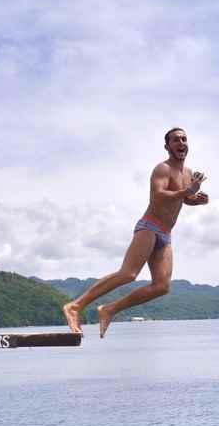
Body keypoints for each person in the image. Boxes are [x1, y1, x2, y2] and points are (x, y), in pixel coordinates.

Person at [61, 127, 208, 338]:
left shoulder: (187, 173)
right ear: (168, 147)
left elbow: (183, 198)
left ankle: (109, 309)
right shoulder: (162, 169)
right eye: (176, 140)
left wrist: (195, 199)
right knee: (128, 274)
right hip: (149, 227)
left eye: (184, 139)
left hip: (166, 236)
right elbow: (158, 195)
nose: (181, 143)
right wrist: (187, 192)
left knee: (162, 286)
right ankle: (75, 306)